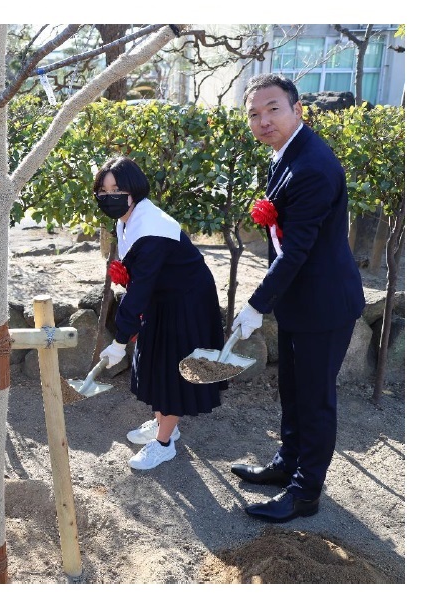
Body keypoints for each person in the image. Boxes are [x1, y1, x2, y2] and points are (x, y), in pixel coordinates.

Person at [229, 74, 365, 523]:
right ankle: (288, 463)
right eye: (254, 113)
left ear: (297, 109)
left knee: (315, 399)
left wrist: (255, 304)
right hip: (299, 300)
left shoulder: (312, 166)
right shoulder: (285, 155)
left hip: (324, 303)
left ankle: (306, 492)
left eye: (273, 109)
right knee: (292, 388)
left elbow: (299, 249)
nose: (263, 120)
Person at [96, 156, 226, 470]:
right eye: (103, 190)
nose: (108, 196)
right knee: (152, 361)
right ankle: (165, 423)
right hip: (162, 296)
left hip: (186, 302)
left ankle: (164, 443)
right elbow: (140, 283)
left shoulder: (151, 228)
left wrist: (119, 340)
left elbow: (139, 288)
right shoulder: (127, 218)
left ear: (133, 189)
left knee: (170, 368)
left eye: (117, 189)